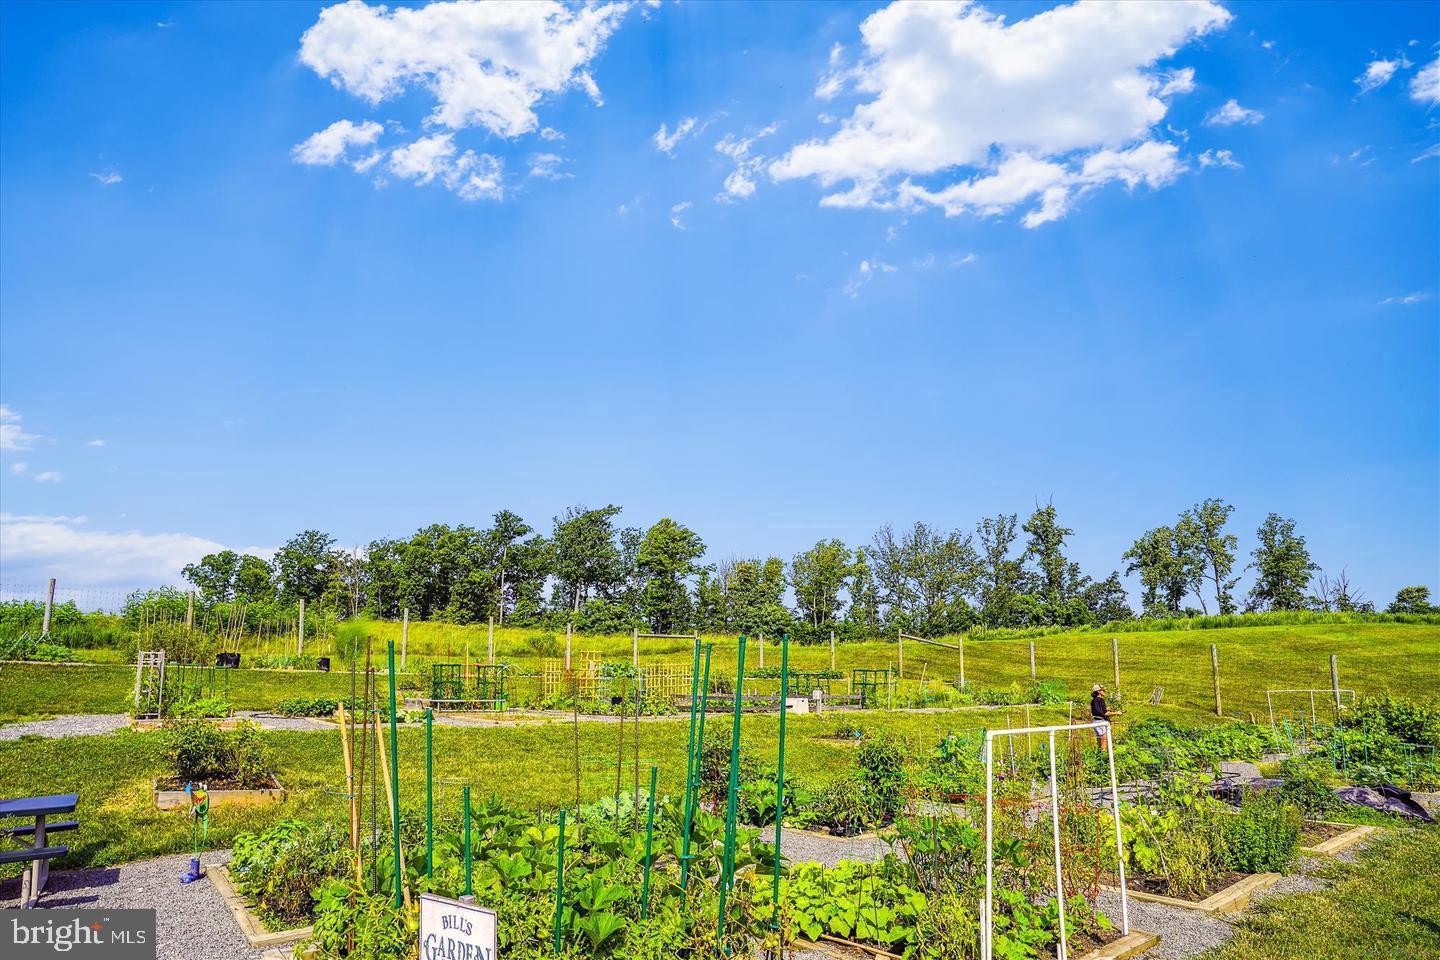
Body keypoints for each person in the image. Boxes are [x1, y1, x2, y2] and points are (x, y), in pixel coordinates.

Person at [1091, 683, 1122, 750]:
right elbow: (1105, 713)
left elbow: (1097, 710)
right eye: (1103, 690)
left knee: (1099, 740)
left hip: (1096, 721)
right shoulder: (1100, 700)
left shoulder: (1094, 700)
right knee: (1104, 740)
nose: (1104, 691)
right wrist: (1117, 713)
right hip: (1101, 722)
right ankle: (1103, 756)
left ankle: (1098, 755)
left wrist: (1106, 708)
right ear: (1098, 691)